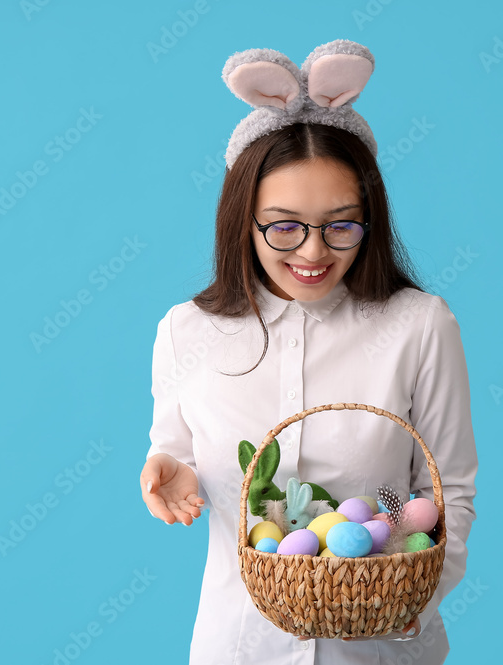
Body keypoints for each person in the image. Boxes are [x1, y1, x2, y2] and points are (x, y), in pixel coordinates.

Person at [140, 40, 478, 665]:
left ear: (369, 220)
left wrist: (384, 560)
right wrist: (173, 475)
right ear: (243, 220)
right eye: (284, 225)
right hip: (239, 647)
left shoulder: (418, 325)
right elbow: (180, 455)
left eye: (341, 225)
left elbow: (439, 496)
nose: (313, 252)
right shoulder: (187, 332)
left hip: (382, 649)